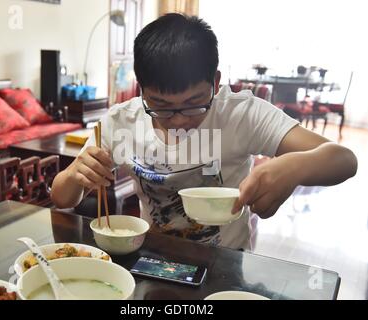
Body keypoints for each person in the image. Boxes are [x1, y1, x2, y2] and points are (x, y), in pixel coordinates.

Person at [51, 14, 357, 250]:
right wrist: (75, 173)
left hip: (226, 260)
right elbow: (62, 198)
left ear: (215, 82)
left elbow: (344, 159)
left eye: (195, 103)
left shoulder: (240, 113)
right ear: (141, 90)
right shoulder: (123, 120)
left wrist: (294, 167)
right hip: (153, 255)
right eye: (161, 105)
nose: (180, 119)